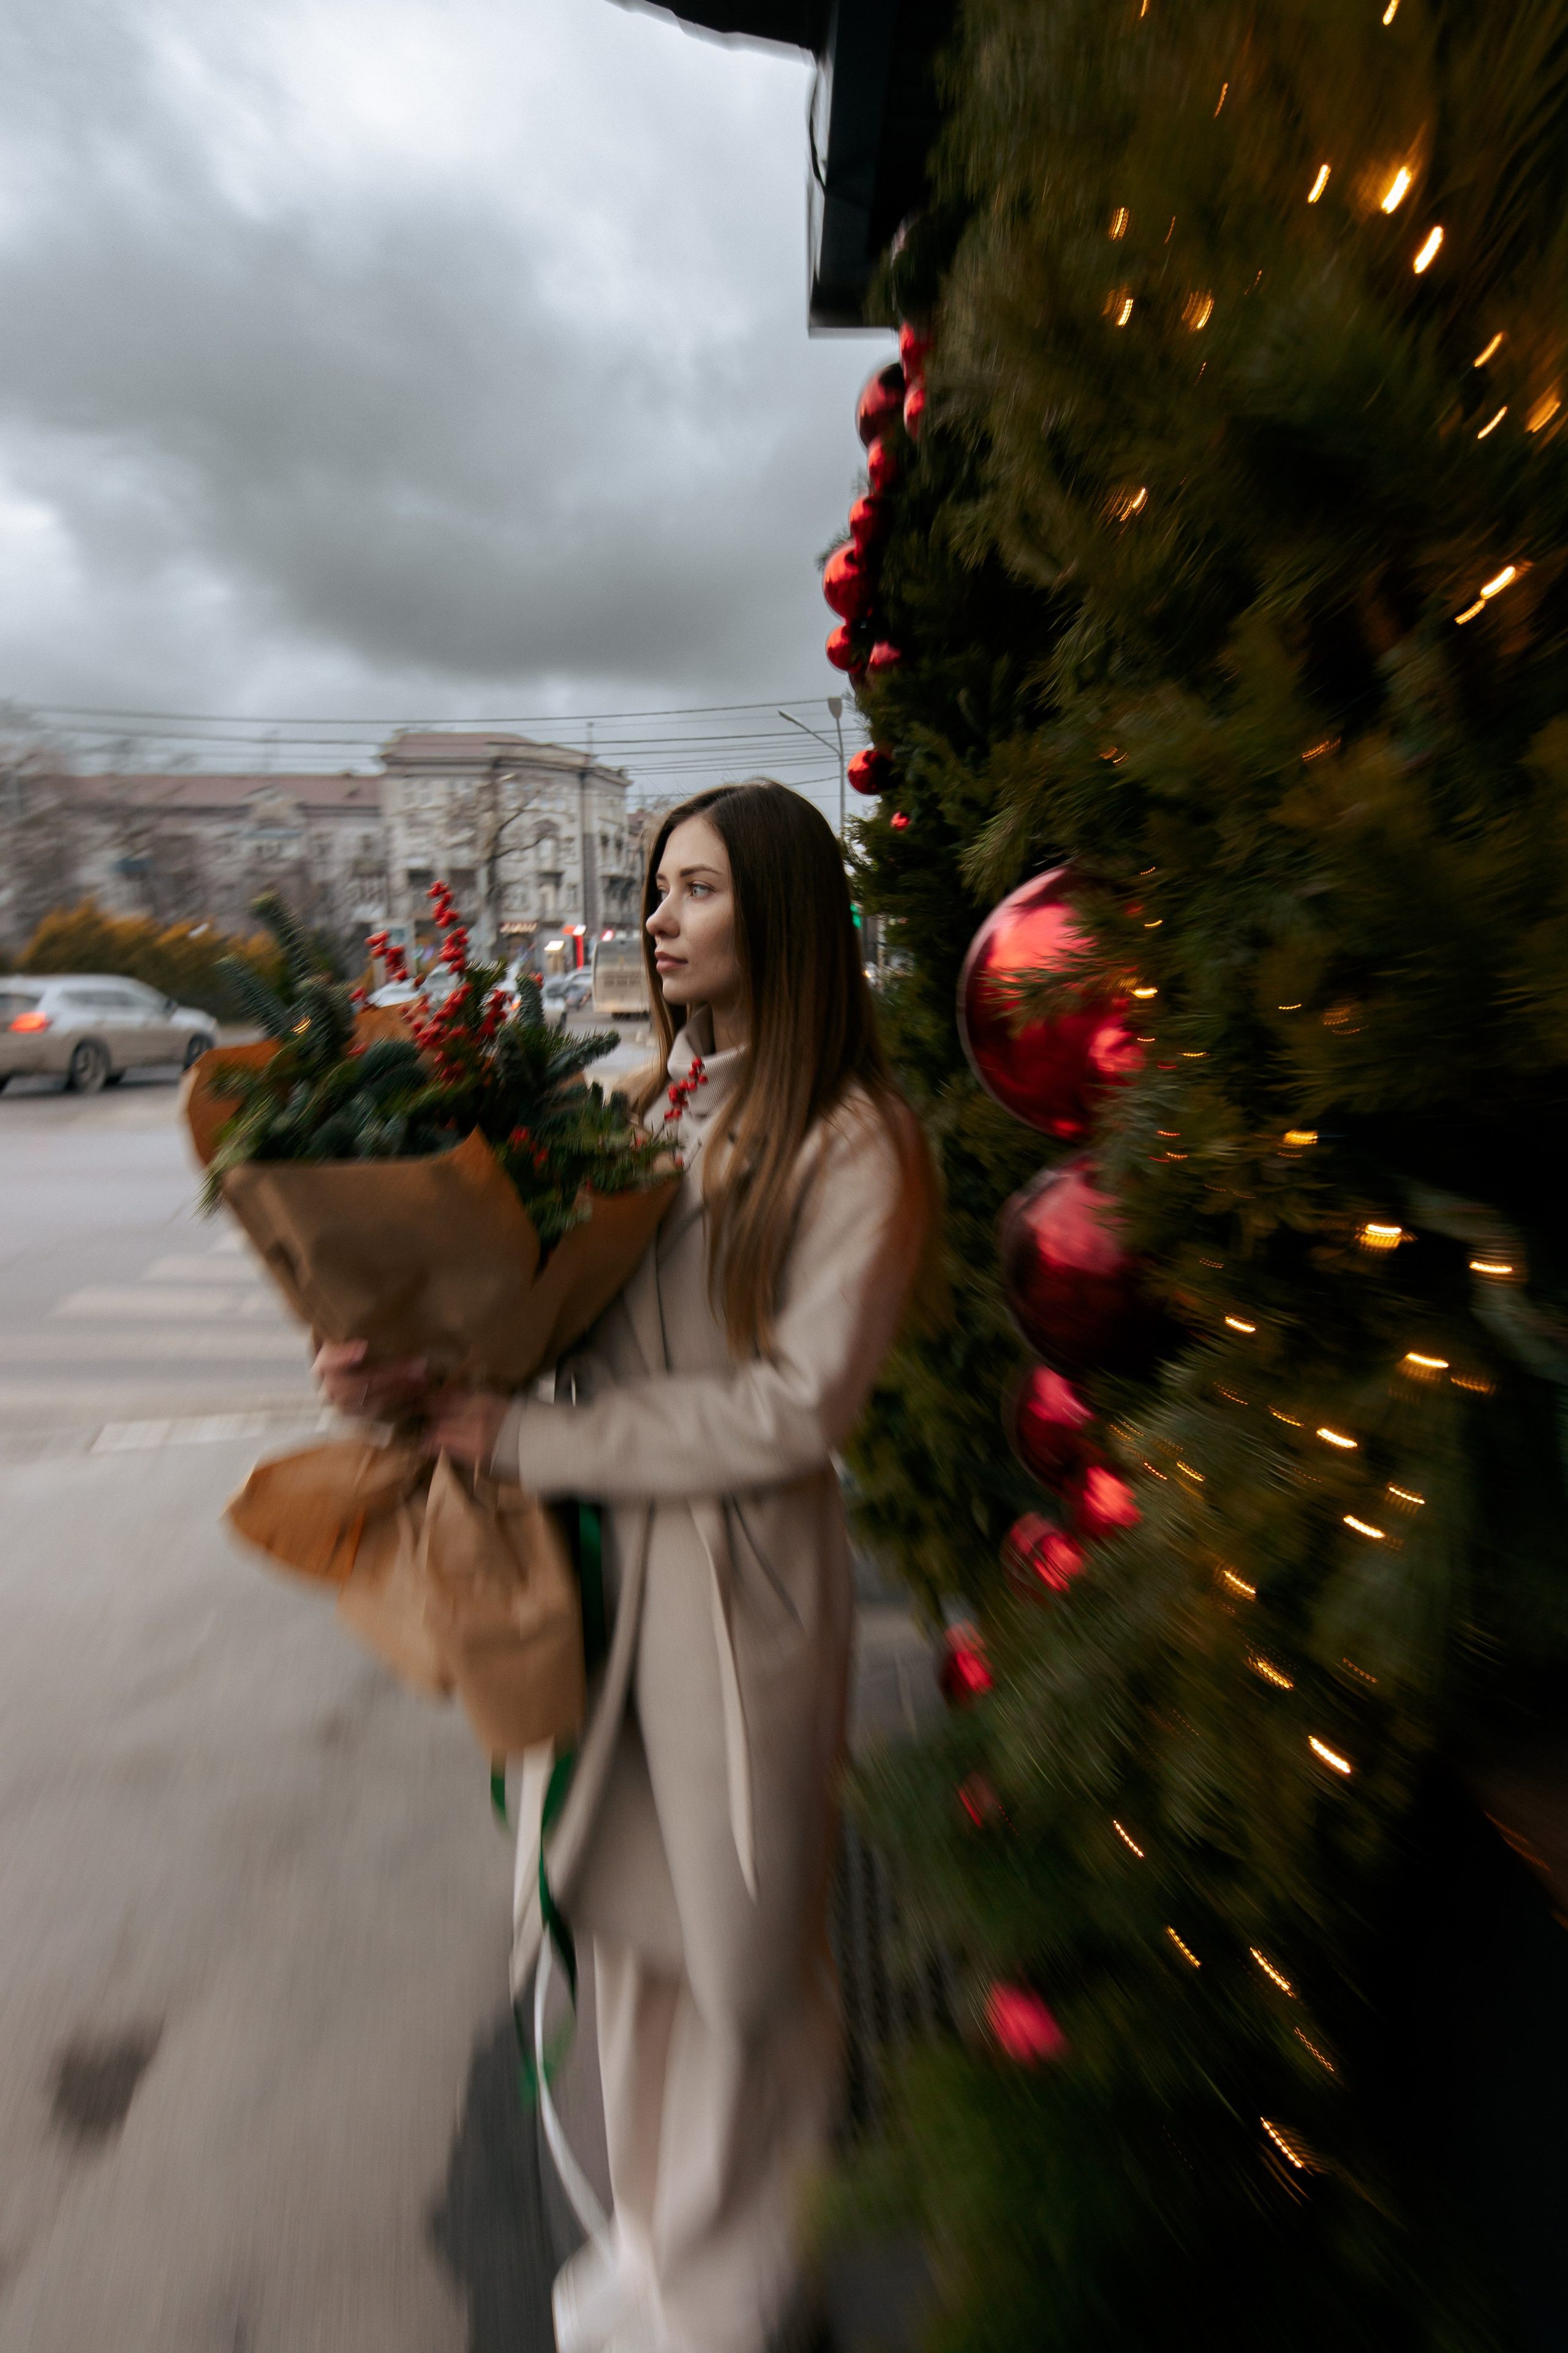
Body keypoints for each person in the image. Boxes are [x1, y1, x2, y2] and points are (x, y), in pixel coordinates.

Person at [317, 780, 935, 2353]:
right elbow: (551, 1331)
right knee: (630, 1940)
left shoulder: (852, 1142)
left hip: (735, 1606)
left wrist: (523, 1438)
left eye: (697, 890)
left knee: (739, 1965)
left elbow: (797, 1409)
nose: (656, 919)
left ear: (782, 915)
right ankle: (659, 2254)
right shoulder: (646, 1106)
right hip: (591, 1575)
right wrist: (407, 1369)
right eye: (659, 889)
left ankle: (734, 2296)